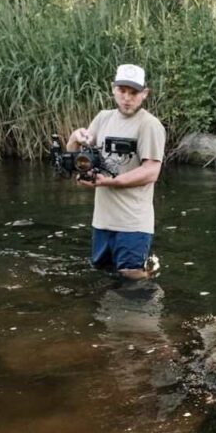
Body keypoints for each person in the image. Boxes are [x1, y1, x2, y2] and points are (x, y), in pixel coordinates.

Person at [66, 64, 166, 281]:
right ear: (113, 89)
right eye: (122, 91)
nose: (127, 98)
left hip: (133, 223)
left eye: (134, 93)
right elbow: (77, 161)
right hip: (102, 222)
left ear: (144, 94)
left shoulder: (150, 125)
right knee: (102, 278)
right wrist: (74, 138)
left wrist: (110, 182)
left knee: (132, 280)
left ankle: (150, 309)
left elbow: (151, 172)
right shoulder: (103, 118)